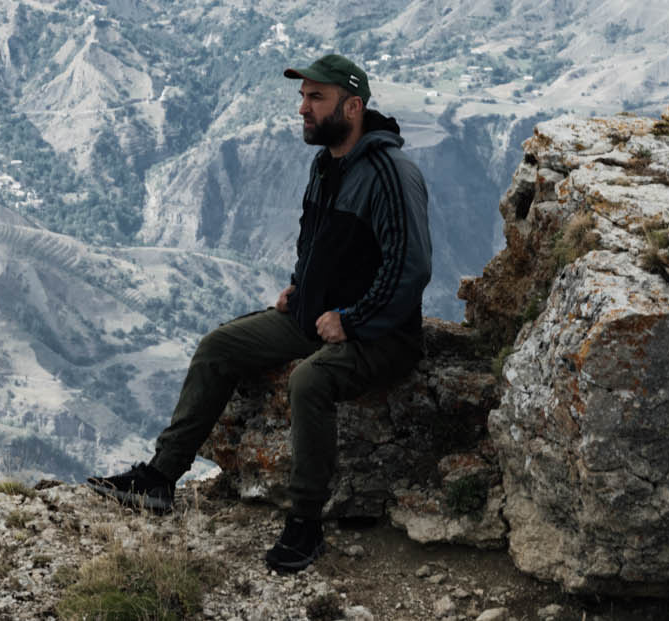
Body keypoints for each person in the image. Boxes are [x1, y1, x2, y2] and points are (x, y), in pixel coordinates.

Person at [86, 53, 432, 573]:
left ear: (353, 106)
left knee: (309, 383)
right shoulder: (328, 164)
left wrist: (353, 320)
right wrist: (300, 287)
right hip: (312, 319)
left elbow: (411, 268)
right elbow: (315, 240)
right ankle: (160, 478)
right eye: (302, 96)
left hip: (379, 334)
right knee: (218, 347)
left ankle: (306, 524)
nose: (303, 108)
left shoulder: (390, 173)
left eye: (316, 98)